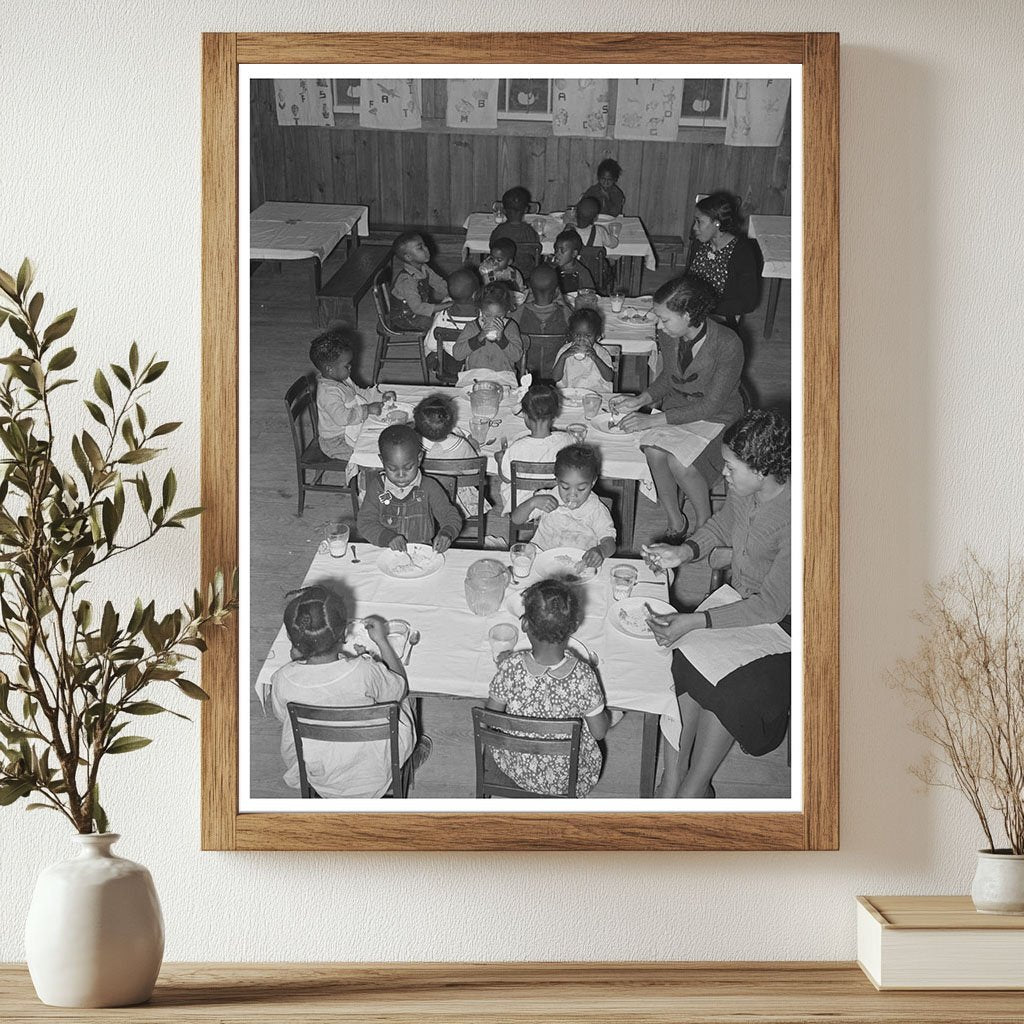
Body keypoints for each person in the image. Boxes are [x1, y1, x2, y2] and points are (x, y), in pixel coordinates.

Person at [640, 409, 792, 799]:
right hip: (742, 598)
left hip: (788, 622)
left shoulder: (797, 518)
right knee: (678, 656)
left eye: (730, 467)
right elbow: (723, 525)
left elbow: (772, 607)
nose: (723, 474)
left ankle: (694, 785)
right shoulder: (750, 491)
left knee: (733, 688)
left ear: (762, 471)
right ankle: (670, 779)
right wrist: (685, 552)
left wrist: (694, 621)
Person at [611, 275, 744, 538]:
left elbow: (709, 406)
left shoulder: (728, 344)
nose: (659, 326)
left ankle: (704, 524)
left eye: (665, 319)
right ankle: (676, 521)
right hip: (678, 408)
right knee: (653, 451)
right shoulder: (670, 335)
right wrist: (642, 399)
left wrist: (651, 420)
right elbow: (668, 378)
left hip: (719, 417)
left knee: (680, 462)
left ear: (687, 315)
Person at [269, 586, 429, 799]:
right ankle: (408, 759)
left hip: (320, 773)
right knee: (405, 700)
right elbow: (399, 687)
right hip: (376, 773)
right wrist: (381, 641)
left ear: (293, 642)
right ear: (344, 634)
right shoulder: (363, 669)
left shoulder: (282, 678)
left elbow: (283, 717)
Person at [486, 578, 609, 797]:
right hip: (569, 776)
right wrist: (606, 714)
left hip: (517, 766)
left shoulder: (510, 667)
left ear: (524, 625)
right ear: (574, 626)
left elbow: (491, 715)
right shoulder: (583, 676)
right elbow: (599, 733)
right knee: (602, 719)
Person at [356, 424, 461, 551]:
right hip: (386, 550)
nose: (401, 475)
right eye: (392, 469)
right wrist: (387, 538)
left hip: (423, 551)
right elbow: (365, 523)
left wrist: (447, 533)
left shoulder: (429, 487)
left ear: (419, 458)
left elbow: (449, 515)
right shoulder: (377, 489)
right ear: (382, 461)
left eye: (408, 468)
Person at [511, 444, 615, 569]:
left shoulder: (596, 509)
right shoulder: (548, 498)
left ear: (593, 483)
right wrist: (532, 502)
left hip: (580, 563)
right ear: (557, 480)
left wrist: (600, 551)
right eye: (565, 487)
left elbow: (610, 543)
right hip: (541, 557)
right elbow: (516, 520)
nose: (572, 495)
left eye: (581, 489)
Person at [309, 325, 394, 460]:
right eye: (346, 365)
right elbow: (343, 418)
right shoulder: (329, 394)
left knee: (383, 436)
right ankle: (361, 479)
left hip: (351, 429)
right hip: (336, 442)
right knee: (370, 454)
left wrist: (380, 396)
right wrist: (367, 409)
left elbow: (359, 394)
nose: (351, 367)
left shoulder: (343, 379)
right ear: (330, 369)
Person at [496, 382, 573, 513]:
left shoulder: (516, 448)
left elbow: (506, 478)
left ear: (525, 415)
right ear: (554, 415)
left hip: (523, 505)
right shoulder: (568, 441)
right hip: (557, 500)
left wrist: (500, 461)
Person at [686, 192, 762, 319]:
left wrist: (706, 308)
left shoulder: (742, 252)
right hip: (693, 308)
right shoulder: (699, 243)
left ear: (717, 223)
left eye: (699, 222)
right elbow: (688, 276)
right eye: (695, 221)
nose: (694, 227)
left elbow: (748, 303)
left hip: (720, 314)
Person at [413, 393, 481, 516]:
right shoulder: (461, 444)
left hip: (423, 496)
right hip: (456, 499)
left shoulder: (413, 443)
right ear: (451, 424)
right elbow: (474, 471)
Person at [452, 282, 524, 377]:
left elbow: (516, 356)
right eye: (487, 315)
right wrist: (479, 337)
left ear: (506, 311)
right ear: (481, 310)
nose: (492, 320)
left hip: (503, 376)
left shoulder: (510, 327)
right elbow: (457, 354)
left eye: (498, 316)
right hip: (475, 376)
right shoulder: (472, 327)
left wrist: (502, 339)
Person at [423, 266, 480, 384]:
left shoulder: (443, 315)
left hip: (451, 368)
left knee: (429, 348)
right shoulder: (483, 314)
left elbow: (432, 345)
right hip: (479, 365)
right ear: (476, 294)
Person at [388, 231, 450, 332]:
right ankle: (433, 346)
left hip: (416, 313)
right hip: (405, 318)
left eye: (425, 245)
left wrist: (455, 293)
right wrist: (447, 305)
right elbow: (418, 308)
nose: (426, 249)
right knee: (441, 324)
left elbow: (439, 283)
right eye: (420, 248)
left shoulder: (424, 268)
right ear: (408, 257)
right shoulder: (407, 280)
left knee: (445, 315)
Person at [552, 308, 615, 395]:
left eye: (588, 336)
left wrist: (596, 358)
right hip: (570, 394)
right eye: (577, 335)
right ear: (571, 334)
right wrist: (563, 357)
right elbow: (555, 378)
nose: (582, 339)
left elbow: (609, 377)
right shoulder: (565, 351)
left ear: (597, 336)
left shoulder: (601, 353)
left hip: (596, 394)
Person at [489, 186, 541, 274]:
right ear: (526, 210)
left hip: (502, 272)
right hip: (526, 273)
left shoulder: (499, 231)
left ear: (504, 210)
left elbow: (492, 248)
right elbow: (536, 251)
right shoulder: (530, 232)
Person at [512, 263, 572, 336]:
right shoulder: (566, 313)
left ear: (530, 290)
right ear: (557, 291)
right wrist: (564, 304)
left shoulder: (519, 313)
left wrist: (525, 302)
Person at [551, 230, 596, 295]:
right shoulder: (551, 270)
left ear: (574, 253)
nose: (557, 254)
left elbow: (590, 294)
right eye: (556, 249)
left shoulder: (583, 273)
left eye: (562, 250)